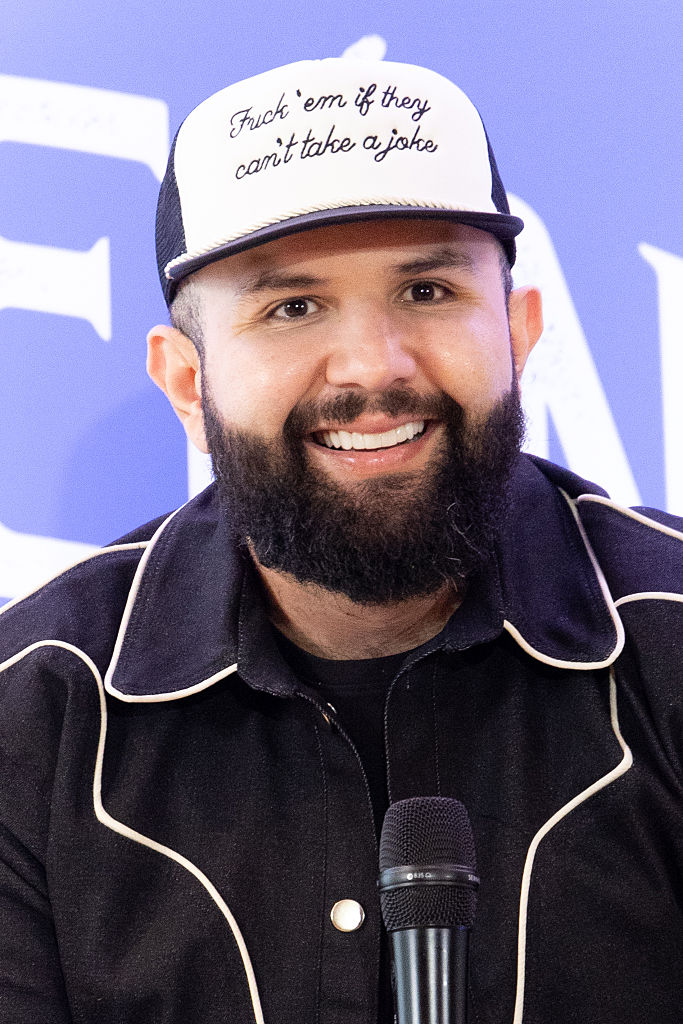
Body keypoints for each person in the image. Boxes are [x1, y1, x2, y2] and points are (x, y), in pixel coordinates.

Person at [0, 56, 681, 1024]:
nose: (372, 366)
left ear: (517, 334)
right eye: (291, 307)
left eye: (428, 293)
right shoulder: (32, 711)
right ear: (188, 382)